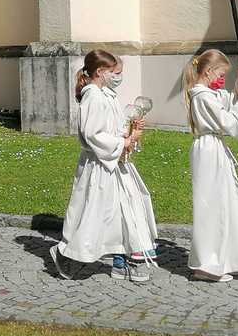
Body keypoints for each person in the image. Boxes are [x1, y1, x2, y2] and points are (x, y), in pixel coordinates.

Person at [49, 50, 157, 283]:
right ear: (101, 72)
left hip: (114, 163)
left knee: (121, 211)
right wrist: (123, 143)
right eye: (115, 73)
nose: (119, 77)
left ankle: (121, 260)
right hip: (99, 166)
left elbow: (113, 127)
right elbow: (92, 134)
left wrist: (130, 130)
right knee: (95, 213)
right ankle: (67, 253)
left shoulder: (107, 95)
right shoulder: (93, 97)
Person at [183, 50, 238, 282]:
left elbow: (229, 100)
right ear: (208, 72)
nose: (222, 80)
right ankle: (207, 265)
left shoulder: (210, 94)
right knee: (211, 206)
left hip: (215, 150)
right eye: (221, 74)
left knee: (226, 202)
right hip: (208, 152)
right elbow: (227, 121)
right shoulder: (202, 97)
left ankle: (228, 260)